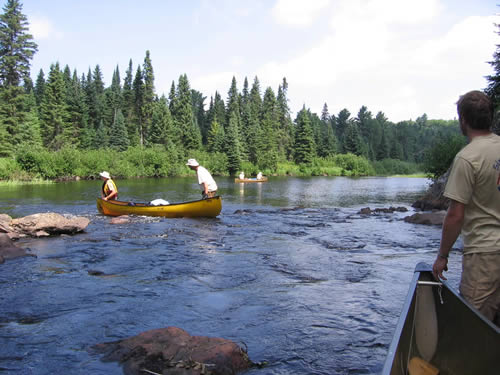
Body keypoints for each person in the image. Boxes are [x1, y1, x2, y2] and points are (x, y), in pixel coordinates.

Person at [432, 90, 500, 325]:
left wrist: (442, 256)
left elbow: (455, 216)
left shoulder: (467, 158)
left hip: (484, 255)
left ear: (463, 120)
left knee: (474, 325)